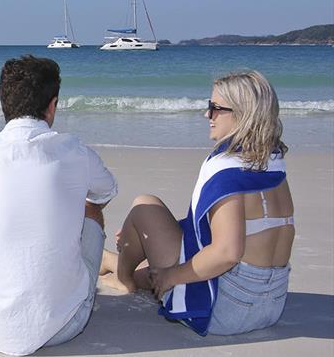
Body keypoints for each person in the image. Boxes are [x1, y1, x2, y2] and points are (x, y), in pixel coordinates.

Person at [0, 55, 118, 356]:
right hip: (66, 325)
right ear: (52, 105)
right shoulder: (75, 151)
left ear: (3, 103)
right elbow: (106, 192)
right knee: (91, 207)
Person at [101, 70, 294, 336]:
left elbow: (227, 253)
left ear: (242, 114)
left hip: (228, 310)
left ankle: (124, 279)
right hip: (271, 304)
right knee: (178, 258)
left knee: (145, 205)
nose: (207, 115)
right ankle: (113, 262)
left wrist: (171, 277)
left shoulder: (231, 174)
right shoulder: (271, 166)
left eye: (215, 108)